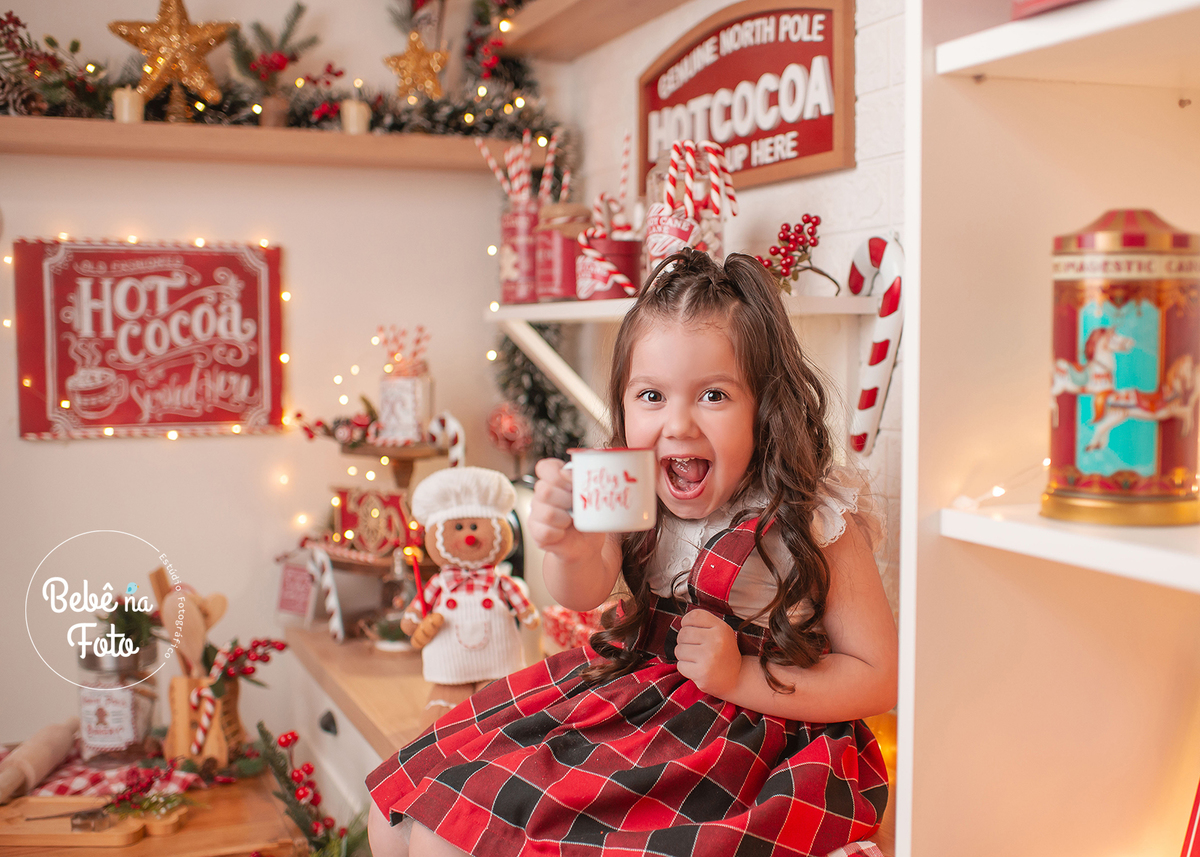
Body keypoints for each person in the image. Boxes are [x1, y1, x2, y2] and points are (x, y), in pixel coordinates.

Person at [366, 249, 898, 857]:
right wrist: (570, 547)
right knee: (399, 815)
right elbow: (585, 589)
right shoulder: (629, 486)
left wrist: (740, 675)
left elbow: (877, 679)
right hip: (633, 693)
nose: (677, 424)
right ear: (623, 403)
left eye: (714, 396)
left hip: (752, 741)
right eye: (651, 396)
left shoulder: (814, 514)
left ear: (766, 407)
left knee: (451, 843)